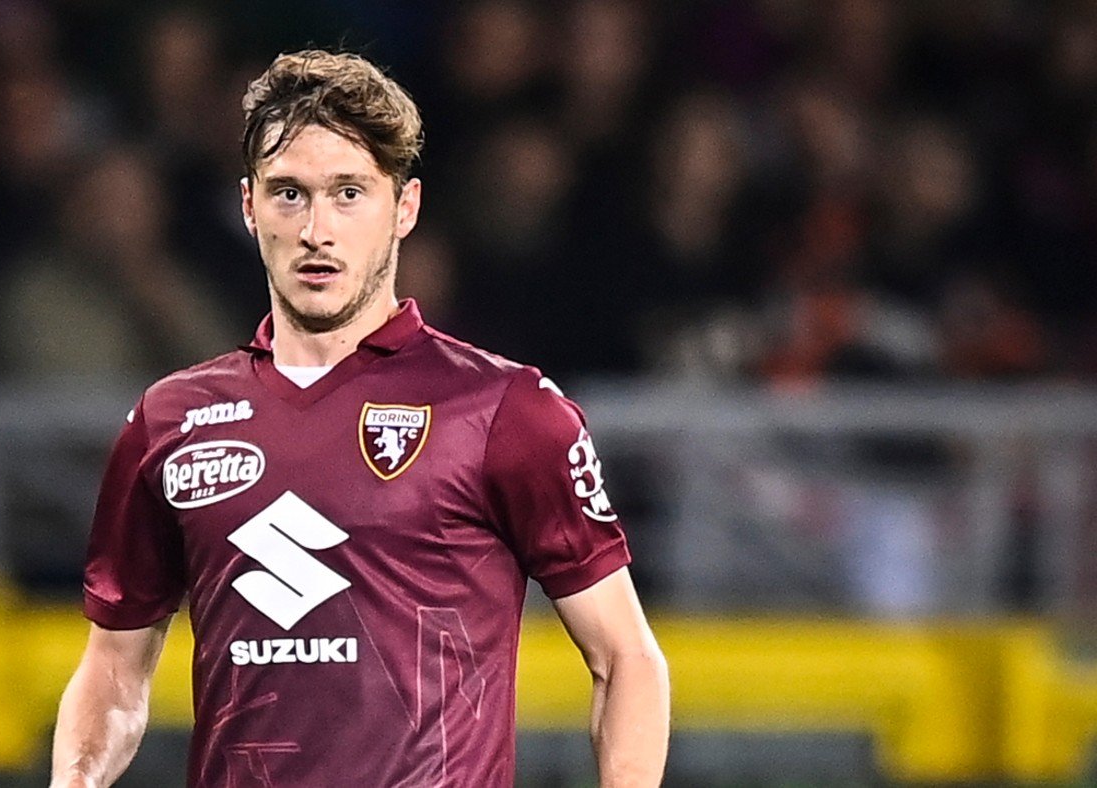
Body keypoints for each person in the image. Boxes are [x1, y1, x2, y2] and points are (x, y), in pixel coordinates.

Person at [50, 49, 670, 787]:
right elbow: (114, 671)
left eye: (349, 193)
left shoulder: (506, 411)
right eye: (290, 194)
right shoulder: (169, 421)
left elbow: (625, 659)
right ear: (249, 206)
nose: (317, 228)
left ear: (404, 208)